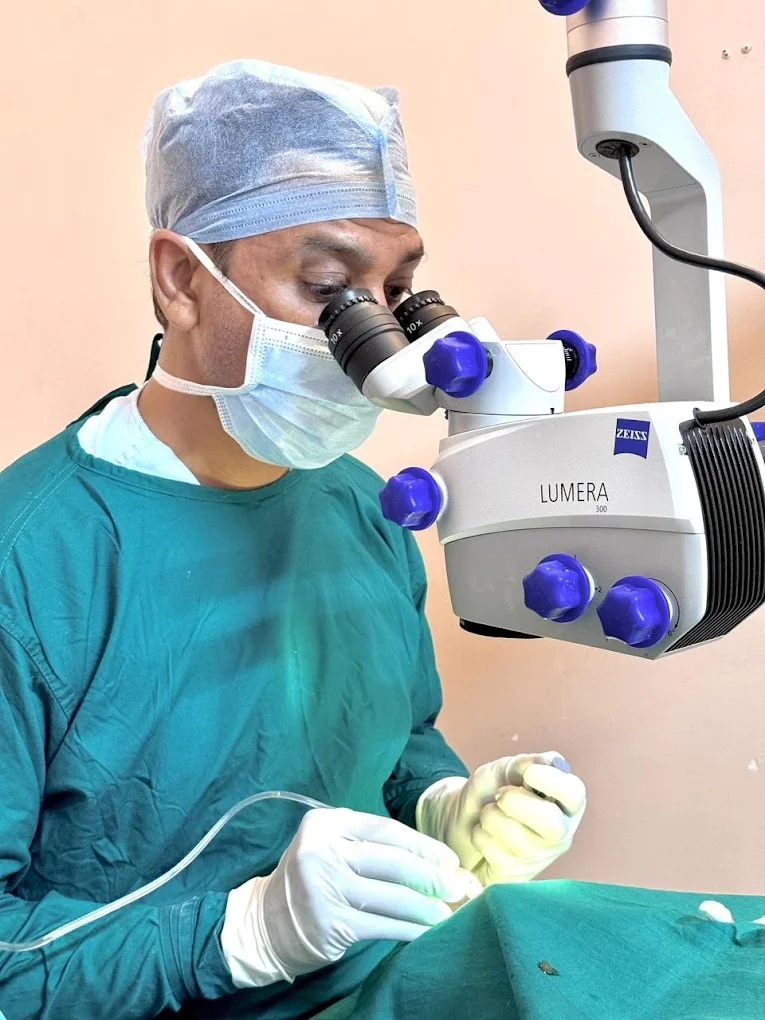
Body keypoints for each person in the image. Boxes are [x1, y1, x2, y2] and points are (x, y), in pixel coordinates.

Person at [0, 59, 586, 1019]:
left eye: (397, 291)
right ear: (180, 280)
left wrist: (446, 810)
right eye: (326, 287)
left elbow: (394, 741)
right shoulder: (30, 563)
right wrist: (240, 936)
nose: (373, 337)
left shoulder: (367, 508)